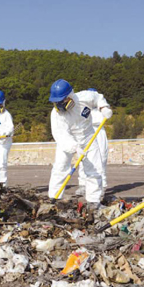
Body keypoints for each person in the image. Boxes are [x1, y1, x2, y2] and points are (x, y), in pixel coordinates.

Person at [47, 79, 112, 207]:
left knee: (95, 169)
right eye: (56, 102)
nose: (59, 105)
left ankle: (94, 201)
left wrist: (104, 107)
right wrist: (74, 147)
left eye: (61, 101)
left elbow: (97, 97)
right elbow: (61, 135)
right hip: (69, 140)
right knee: (60, 168)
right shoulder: (56, 114)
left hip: (88, 136)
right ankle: (54, 198)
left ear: (70, 96)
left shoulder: (84, 97)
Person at [77, 88, 109, 197]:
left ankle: (102, 186)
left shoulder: (101, 108)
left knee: (101, 158)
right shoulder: (84, 108)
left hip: (99, 132)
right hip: (87, 133)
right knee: (84, 157)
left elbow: (104, 116)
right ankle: (83, 185)